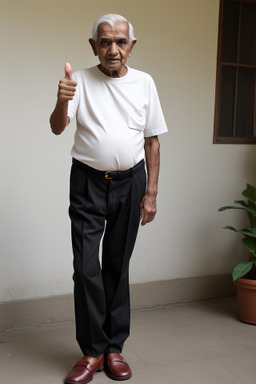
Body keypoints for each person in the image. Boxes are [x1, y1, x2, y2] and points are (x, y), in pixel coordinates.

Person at [50, 13, 167, 384]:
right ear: (93, 46)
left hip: (131, 182)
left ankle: (114, 348)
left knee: (117, 265)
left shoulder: (145, 83)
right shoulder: (79, 80)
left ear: (131, 47)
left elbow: (152, 141)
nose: (112, 49)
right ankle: (91, 351)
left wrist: (150, 192)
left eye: (120, 42)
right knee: (85, 268)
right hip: (86, 181)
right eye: (105, 42)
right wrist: (61, 99)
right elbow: (57, 128)